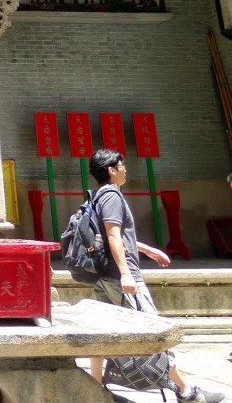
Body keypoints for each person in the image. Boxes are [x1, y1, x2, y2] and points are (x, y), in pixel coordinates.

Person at [88, 149, 224, 403]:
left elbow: (113, 236)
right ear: (111, 170)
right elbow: (113, 235)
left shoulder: (96, 197)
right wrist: (127, 274)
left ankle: (94, 390)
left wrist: (146, 249)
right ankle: (186, 392)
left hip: (103, 275)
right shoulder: (112, 197)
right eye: (122, 164)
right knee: (154, 331)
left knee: (102, 332)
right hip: (120, 277)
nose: (125, 168)